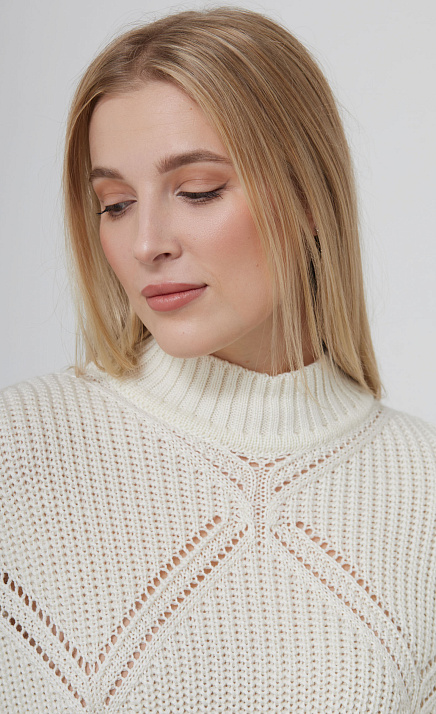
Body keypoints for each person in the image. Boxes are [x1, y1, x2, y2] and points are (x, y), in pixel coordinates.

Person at [0, 7, 435, 713]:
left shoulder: (423, 490)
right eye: (115, 204)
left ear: (308, 195)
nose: (147, 243)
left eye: (197, 191)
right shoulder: (18, 451)